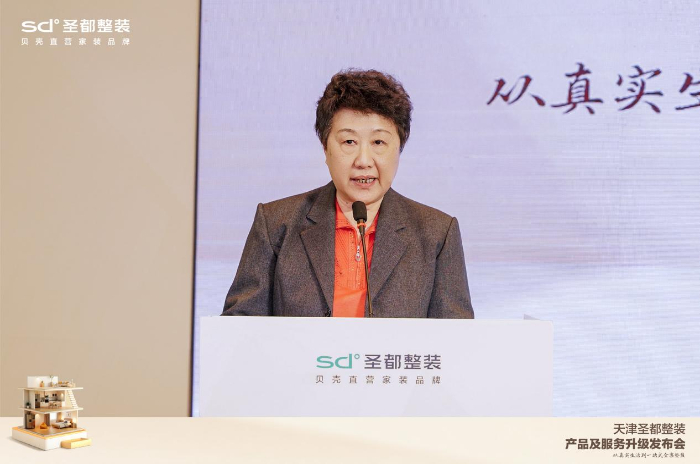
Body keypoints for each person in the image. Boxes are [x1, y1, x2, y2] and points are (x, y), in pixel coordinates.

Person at [222, 69, 474, 318]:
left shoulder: (436, 234)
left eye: (378, 142)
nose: (363, 161)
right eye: (349, 142)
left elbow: (456, 337)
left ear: (399, 149)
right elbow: (239, 327)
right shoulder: (276, 224)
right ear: (325, 148)